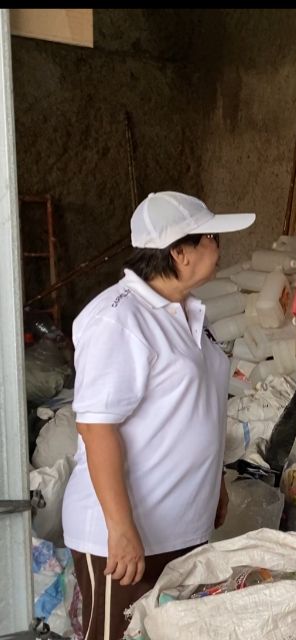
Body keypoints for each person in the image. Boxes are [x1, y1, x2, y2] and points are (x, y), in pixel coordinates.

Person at [62, 191, 255, 639]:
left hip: (180, 527)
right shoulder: (121, 318)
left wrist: (216, 482)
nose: (219, 247)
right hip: (129, 533)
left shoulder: (188, 314)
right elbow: (96, 426)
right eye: (211, 238)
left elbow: (192, 409)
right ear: (179, 253)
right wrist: (121, 527)